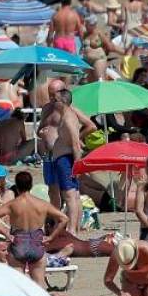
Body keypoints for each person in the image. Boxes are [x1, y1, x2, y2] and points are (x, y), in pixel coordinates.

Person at [0, 171, 69, 288]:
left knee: (18, 285)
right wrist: (51, 237)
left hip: (18, 242)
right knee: (39, 284)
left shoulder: (13, 204)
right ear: (31, 185)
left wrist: (6, 233)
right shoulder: (42, 203)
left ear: (17, 186)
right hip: (36, 242)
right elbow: (64, 218)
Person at [37, 88, 94, 232]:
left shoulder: (68, 118)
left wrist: (77, 167)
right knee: (69, 194)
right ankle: (71, 229)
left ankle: (72, 230)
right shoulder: (63, 115)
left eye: (55, 99)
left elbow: (76, 145)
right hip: (59, 159)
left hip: (65, 160)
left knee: (70, 195)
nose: (53, 101)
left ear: (63, 102)